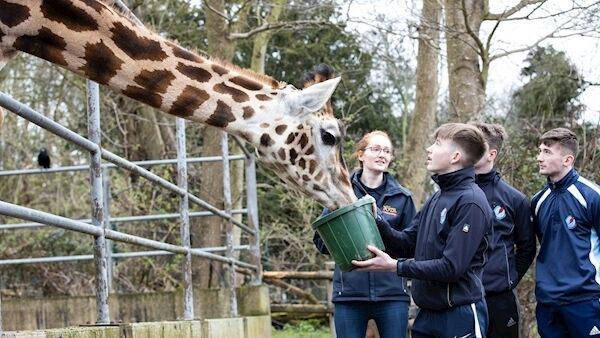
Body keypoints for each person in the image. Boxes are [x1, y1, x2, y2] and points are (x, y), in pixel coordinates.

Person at [353, 122, 492, 338]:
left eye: (437, 144)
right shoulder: (437, 197)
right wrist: (376, 219)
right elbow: (406, 243)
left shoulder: (471, 202)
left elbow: (451, 268)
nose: (429, 149)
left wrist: (395, 266)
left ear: (455, 157)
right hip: (426, 315)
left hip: (459, 314)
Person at [313, 130, 417, 338]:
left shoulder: (402, 198)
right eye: (376, 149)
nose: (382, 155)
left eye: (387, 151)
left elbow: (410, 246)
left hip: (392, 295)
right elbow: (321, 243)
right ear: (360, 155)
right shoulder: (341, 192)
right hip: (349, 296)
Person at [530, 127, 600, 338]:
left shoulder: (591, 196)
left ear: (567, 160)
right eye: (540, 151)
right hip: (548, 302)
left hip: (585, 300)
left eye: (547, 152)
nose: (539, 157)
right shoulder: (537, 201)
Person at [470, 122, 536, 338]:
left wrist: (507, 279)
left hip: (500, 299)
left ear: (491, 154)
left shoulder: (514, 199)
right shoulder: (452, 194)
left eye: (475, 145)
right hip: (462, 297)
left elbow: (527, 248)